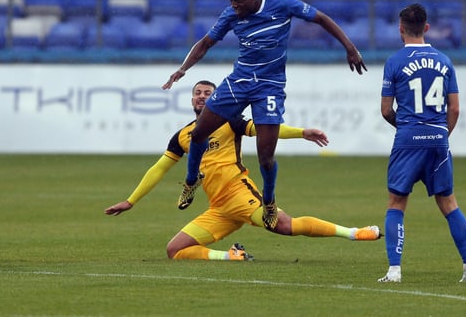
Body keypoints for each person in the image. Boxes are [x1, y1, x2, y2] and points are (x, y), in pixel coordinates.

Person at [162, 0, 367, 230]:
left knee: (265, 157)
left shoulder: (282, 4)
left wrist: (349, 47)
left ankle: (269, 201)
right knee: (199, 133)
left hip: (269, 88)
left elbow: (322, 19)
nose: (233, 5)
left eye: (238, 0)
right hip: (239, 82)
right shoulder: (231, 15)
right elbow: (205, 43)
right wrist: (183, 69)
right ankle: (192, 180)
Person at [105, 80, 381, 261]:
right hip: (218, 208)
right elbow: (159, 168)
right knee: (175, 250)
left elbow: (264, 129)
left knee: (284, 225)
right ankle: (231, 256)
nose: (202, 97)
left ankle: (355, 232)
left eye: (208, 93)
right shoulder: (183, 135)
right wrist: (131, 200)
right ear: (191, 100)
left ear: (216, 99)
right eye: (197, 93)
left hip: (239, 192)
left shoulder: (229, 122)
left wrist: (301, 132)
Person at [378, 3, 466, 283]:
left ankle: (394, 271)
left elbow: (386, 110)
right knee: (449, 202)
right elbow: (455, 109)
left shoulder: (395, 62)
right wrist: (439, 135)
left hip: (408, 138)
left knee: (397, 203)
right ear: (426, 28)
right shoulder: (445, 61)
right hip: (438, 139)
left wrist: (409, 130)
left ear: (400, 29)